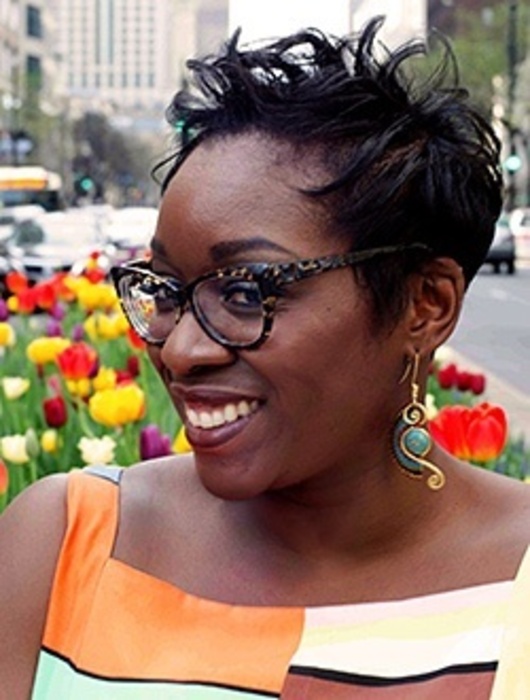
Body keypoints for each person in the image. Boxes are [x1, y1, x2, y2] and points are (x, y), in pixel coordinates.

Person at [1, 15, 529, 699]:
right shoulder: (64, 544)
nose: (183, 349)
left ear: (424, 305)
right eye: (165, 289)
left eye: (247, 291)